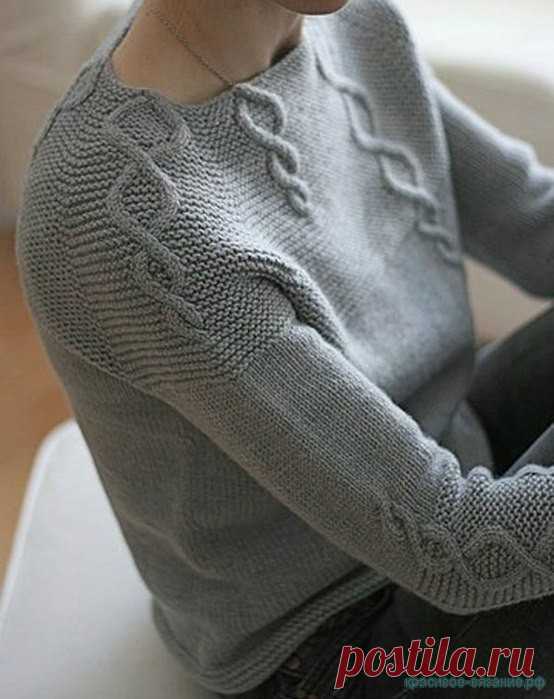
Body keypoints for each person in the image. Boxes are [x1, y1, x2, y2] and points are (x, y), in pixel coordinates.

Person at [14, 0, 554, 696]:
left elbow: (536, 225)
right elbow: (457, 550)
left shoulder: (354, 24)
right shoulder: (124, 218)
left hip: (447, 453)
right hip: (336, 646)